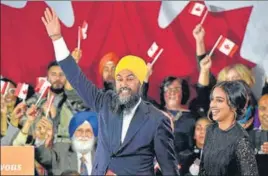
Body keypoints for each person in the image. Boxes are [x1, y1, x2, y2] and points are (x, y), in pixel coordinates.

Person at [41, 7, 179, 175]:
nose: (123, 83)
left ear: (141, 82)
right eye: (119, 78)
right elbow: (76, 78)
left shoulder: (157, 120)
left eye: (130, 78)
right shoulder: (105, 102)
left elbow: (169, 169)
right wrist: (57, 39)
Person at [199, 80, 259, 176]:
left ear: (234, 106)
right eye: (212, 99)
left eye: (219, 100)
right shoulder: (210, 130)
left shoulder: (241, 140)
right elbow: (202, 170)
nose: (212, 105)